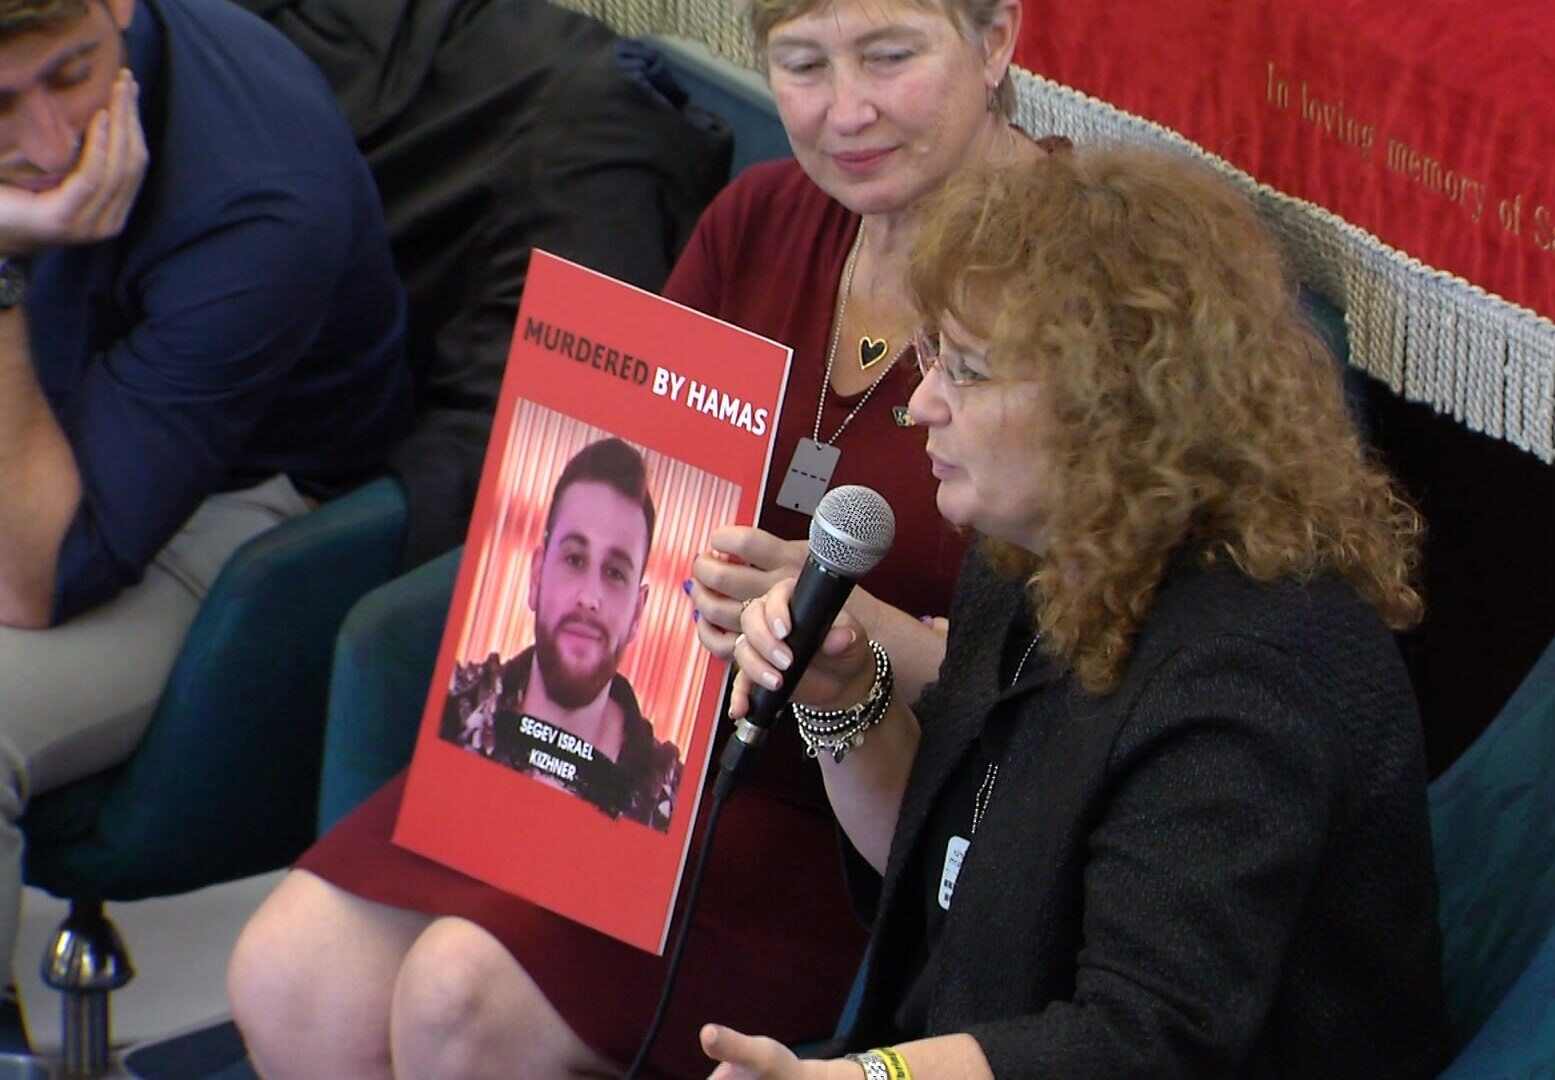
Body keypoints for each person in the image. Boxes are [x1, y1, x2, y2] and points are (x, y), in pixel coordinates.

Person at [227, 0, 1048, 1075]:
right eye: (801, 65)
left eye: (889, 57)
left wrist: (841, 620)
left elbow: (1069, 672)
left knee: (457, 998)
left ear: (995, 42)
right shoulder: (760, 215)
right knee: (292, 973)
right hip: (650, 732)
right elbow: (632, 476)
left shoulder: (1073, 274)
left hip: (863, 807)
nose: (846, 110)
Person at [708, 147, 1451, 1078]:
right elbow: (949, 870)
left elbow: (1139, 1045)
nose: (921, 403)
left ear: (1120, 402)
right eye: (930, 352)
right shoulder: (1034, 554)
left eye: (969, 371)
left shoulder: (1250, 674)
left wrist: (860, 1079)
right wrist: (842, 695)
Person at [0, 0, 408, 978]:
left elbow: (34, 574)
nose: (49, 144)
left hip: (238, 519)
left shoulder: (263, 201)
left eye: (70, 74)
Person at [438, 437, 679, 829]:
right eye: (574, 558)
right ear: (535, 577)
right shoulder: (452, 709)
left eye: (615, 572)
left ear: (638, 612)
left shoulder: (671, 800)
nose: (589, 598)